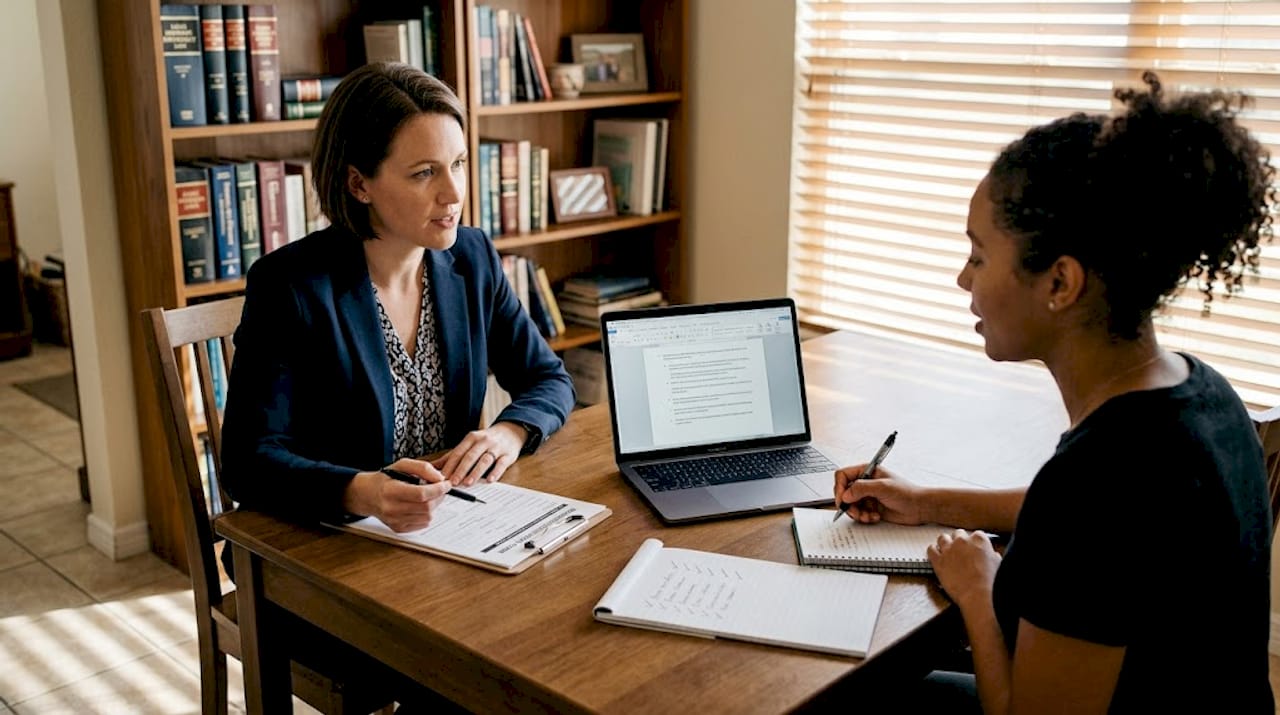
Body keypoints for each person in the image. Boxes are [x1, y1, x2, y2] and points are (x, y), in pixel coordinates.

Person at [836, 71, 1275, 714]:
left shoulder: (1101, 478)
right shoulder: (1198, 390)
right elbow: (1087, 525)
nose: (964, 279)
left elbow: (1086, 517)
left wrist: (979, 589)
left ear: (1060, 283)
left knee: (848, 694)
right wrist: (926, 501)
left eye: (980, 257)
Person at [220, 62, 575, 536]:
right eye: (424, 172)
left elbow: (548, 377)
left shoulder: (473, 258)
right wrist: (360, 490)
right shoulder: (290, 285)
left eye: (459, 164)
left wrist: (510, 432)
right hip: (325, 541)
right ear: (358, 184)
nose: (453, 193)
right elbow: (249, 463)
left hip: (451, 528)